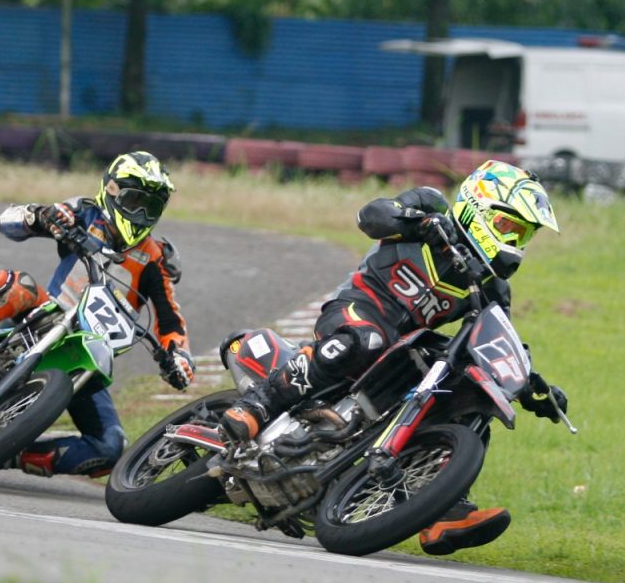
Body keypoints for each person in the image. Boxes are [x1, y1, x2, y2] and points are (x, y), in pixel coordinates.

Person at [220, 159, 568, 555]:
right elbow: (371, 216)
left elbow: (495, 338)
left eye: (523, 234)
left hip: (404, 346)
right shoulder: (430, 206)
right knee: (367, 340)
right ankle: (259, 403)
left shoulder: (493, 287)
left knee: (470, 394)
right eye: (509, 227)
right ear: (479, 207)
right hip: (357, 310)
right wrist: (417, 222)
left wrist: (530, 383)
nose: (514, 241)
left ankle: (443, 509)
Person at [0, 151, 195, 478]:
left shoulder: (155, 259)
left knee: (110, 446)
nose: (142, 214)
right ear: (112, 191)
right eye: (135, 202)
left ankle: (6, 453)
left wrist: (180, 358)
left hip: (88, 355)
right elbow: (8, 220)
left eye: (151, 207)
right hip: (46, 316)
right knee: (15, 284)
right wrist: (41, 216)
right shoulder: (84, 212)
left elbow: (171, 322)